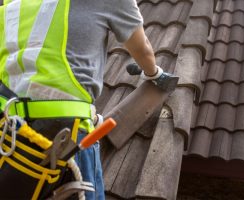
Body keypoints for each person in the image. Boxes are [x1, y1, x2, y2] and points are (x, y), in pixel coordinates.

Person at [0, 0, 164, 199]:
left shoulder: (11, 4)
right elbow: (143, 49)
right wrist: (154, 73)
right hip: (65, 131)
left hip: (9, 131)